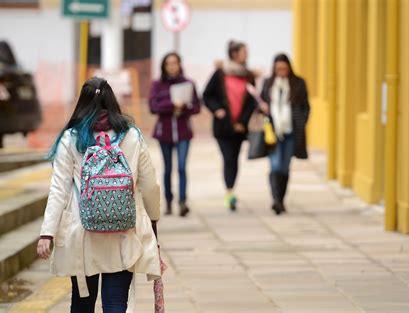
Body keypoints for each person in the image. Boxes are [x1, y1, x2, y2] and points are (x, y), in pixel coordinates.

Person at [37, 77, 161, 312]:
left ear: (81, 103)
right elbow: (150, 184)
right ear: (112, 101)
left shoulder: (71, 138)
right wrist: (153, 218)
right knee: (115, 303)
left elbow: (59, 189)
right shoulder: (131, 135)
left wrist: (47, 233)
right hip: (123, 230)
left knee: (82, 302)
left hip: (82, 232)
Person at [203, 40, 257, 211]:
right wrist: (216, 109)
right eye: (244, 51)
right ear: (234, 54)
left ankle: (231, 189)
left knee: (234, 159)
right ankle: (230, 192)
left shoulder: (248, 76)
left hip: (239, 128)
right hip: (222, 127)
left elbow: (252, 102)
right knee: (228, 158)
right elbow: (207, 95)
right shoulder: (220, 74)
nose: (246, 55)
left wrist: (243, 122)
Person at [149, 52, 200, 217]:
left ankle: (183, 201)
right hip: (164, 132)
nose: (172, 66)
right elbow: (153, 106)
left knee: (182, 166)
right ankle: (169, 200)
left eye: (175, 63)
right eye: (168, 63)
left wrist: (184, 106)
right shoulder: (158, 84)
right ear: (164, 66)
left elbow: (196, 107)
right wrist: (172, 104)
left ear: (179, 64)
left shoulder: (188, 83)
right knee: (168, 168)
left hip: (183, 132)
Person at [260, 53, 310, 215]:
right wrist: (263, 109)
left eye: (284, 68)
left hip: (290, 131)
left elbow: (306, 107)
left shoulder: (298, 83)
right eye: (278, 69)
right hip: (272, 132)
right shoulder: (268, 84)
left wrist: (301, 122)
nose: (281, 71)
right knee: (274, 165)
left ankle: (281, 199)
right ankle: (275, 199)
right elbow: (260, 103)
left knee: (285, 166)